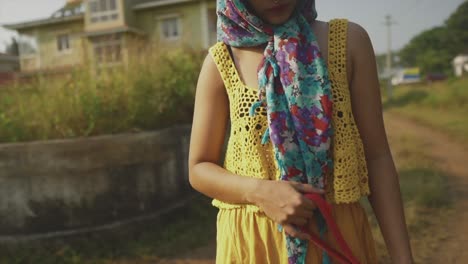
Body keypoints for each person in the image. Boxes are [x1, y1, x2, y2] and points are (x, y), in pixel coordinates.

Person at [188, 0, 414, 263]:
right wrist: (259, 192)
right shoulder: (222, 61)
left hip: (336, 236)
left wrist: (403, 258)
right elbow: (198, 167)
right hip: (254, 245)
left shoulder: (349, 42)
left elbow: (377, 158)